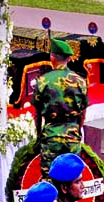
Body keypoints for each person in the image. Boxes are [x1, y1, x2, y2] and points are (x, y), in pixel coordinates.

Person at [32, 39, 88, 177]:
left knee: (49, 179)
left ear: (52, 57)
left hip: (50, 136)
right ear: (69, 59)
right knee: (72, 179)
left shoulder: (43, 81)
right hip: (72, 136)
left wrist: (39, 136)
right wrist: (77, 130)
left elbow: (37, 114)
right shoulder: (80, 81)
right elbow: (83, 113)